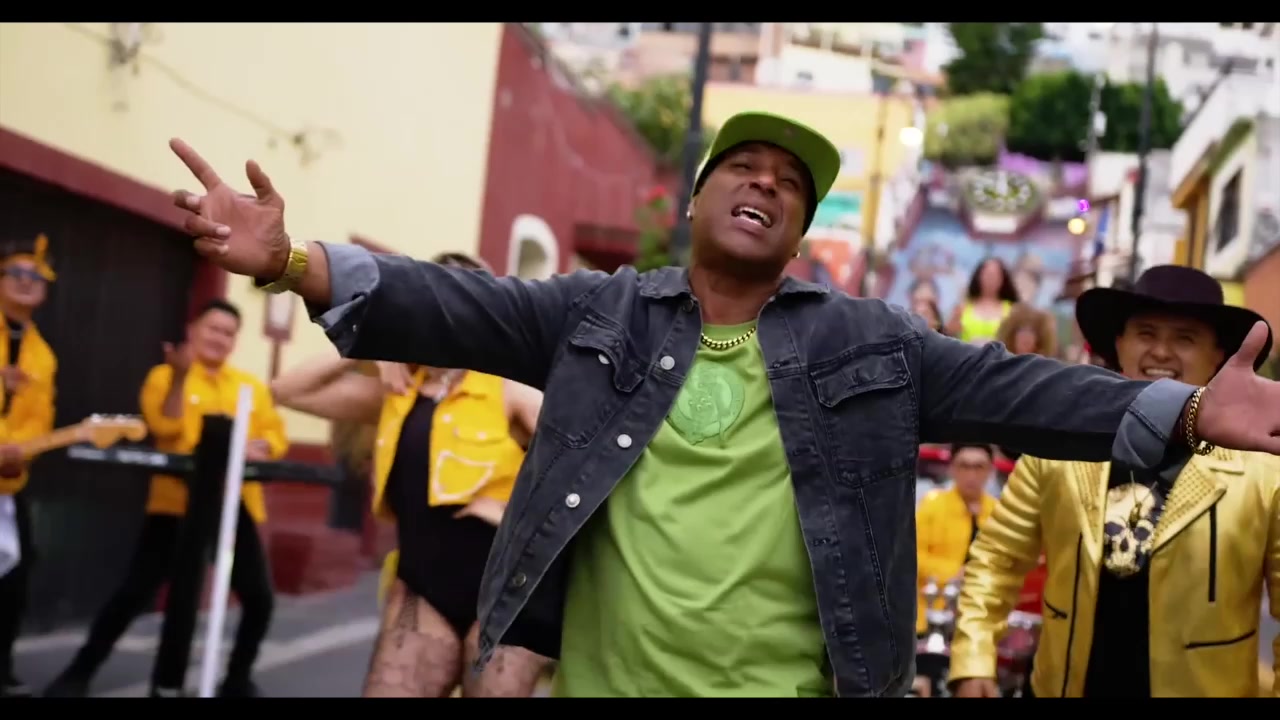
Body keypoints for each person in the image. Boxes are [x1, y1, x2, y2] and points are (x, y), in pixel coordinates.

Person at [165, 111, 1280, 697]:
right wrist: (293, 262)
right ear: (698, 199)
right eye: (742, 167)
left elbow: (1018, 390)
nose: (764, 183)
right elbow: (449, 303)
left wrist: (1184, 412)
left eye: (789, 183)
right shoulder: (595, 313)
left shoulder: (870, 341)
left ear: (798, 234)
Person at [949, 265, 1280, 698]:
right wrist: (973, 659)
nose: (1161, 351)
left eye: (1185, 338)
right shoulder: (1057, 446)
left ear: (1219, 355)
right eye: (1145, 333)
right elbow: (996, 559)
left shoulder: (1264, 471)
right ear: (1119, 344)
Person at [269, 254, 547, 698]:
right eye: (431, 303)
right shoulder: (397, 392)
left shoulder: (508, 389)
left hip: (508, 590)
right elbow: (287, 390)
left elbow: (587, 457)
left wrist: (509, 510)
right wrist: (370, 341)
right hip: (423, 588)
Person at [45, 299, 288, 698]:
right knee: (134, 593)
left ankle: (238, 678)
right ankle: (79, 672)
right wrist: (179, 378)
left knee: (259, 598)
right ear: (193, 330)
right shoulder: (164, 377)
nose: (220, 338)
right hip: (175, 505)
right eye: (213, 329)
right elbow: (164, 427)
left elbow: (274, 436)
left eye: (229, 333)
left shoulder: (249, 386)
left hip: (233, 505)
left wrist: (259, 447)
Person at [0, 235, 58, 698]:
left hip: (9, 479)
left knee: (15, 576)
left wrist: (20, 452)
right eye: (16, 273)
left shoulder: (44, 355)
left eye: (35, 277)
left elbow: (42, 420)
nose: (26, 281)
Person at [912, 444, 997, 695]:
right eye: (964, 466)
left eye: (979, 467)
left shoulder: (998, 512)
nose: (971, 475)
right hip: (930, 615)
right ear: (952, 469)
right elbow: (912, 556)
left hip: (976, 619)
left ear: (990, 471)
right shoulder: (933, 505)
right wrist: (955, 572)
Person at [945, 257, 1020, 344]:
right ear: (979, 276)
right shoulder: (963, 307)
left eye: (995, 275)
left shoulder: (1012, 311)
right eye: (987, 274)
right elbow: (948, 335)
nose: (990, 279)